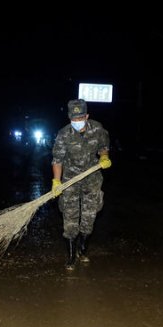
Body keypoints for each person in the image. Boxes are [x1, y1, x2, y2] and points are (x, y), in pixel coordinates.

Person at [51, 99, 111, 270]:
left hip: (92, 177)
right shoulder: (63, 134)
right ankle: (71, 255)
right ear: (69, 117)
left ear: (87, 116)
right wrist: (56, 181)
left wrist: (104, 156)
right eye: (73, 119)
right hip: (70, 179)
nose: (77, 122)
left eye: (80, 118)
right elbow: (57, 159)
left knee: (89, 216)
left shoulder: (98, 129)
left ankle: (82, 248)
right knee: (70, 216)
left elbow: (104, 146)